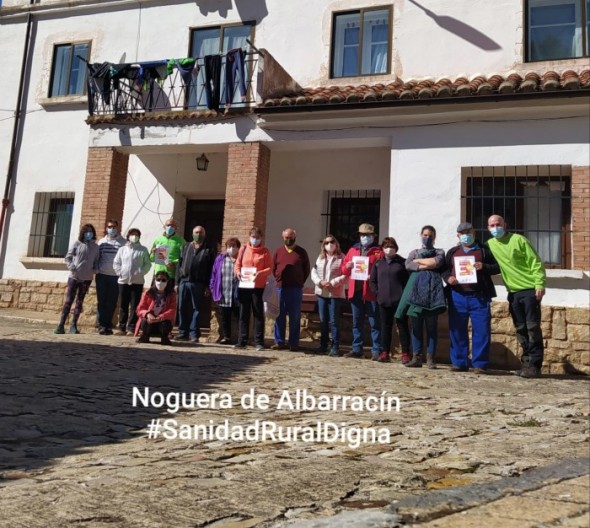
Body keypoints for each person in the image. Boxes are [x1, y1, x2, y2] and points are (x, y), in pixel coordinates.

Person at [487, 214, 546, 378]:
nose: (495, 228)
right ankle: (526, 364)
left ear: (505, 224)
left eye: (498, 224)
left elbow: (535, 262)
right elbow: (482, 258)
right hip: (512, 293)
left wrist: (539, 283)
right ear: (488, 228)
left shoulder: (519, 240)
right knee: (521, 329)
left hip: (529, 290)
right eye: (491, 225)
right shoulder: (490, 244)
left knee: (532, 328)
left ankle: (535, 366)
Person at [442, 223, 500, 374]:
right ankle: (459, 362)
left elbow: (497, 267)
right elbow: (444, 269)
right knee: (457, 330)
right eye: (462, 233)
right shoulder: (453, 252)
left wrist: (484, 267)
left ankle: (480, 364)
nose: (465, 235)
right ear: (458, 236)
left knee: (482, 331)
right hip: (457, 296)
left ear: (474, 233)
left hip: (479, 296)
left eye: (468, 232)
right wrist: (448, 278)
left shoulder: (484, 250)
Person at [402, 225, 446, 369]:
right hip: (416, 293)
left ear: (434, 237)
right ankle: (416, 357)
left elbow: (436, 262)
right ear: (421, 235)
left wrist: (418, 262)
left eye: (430, 236)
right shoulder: (414, 252)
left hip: (433, 293)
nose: (427, 238)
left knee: (432, 327)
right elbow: (408, 265)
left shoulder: (439, 252)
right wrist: (427, 264)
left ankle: (431, 358)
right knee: (416, 327)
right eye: (425, 235)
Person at [341, 223, 384, 359]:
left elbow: (383, 269)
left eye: (368, 235)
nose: (365, 237)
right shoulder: (352, 250)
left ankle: (376, 349)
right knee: (357, 321)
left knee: (374, 322)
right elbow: (344, 269)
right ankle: (357, 348)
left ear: (373, 236)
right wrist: (347, 266)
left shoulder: (379, 251)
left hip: (371, 292)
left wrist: (375, 275)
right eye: (362, 235)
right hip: (356, 290)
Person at [369, 237, 412, 364]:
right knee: (385, 327)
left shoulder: (402, 263)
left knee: (402, 326)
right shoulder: (378, 263)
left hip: (400, 301)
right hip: (383, 301)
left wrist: (405, 297)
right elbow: (372, 281)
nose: (389, 249)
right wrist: (377, 293)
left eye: (392, 246)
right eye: (387, 246)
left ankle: (405, 354)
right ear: (382, 248)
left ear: (396, 248)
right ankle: (384, 352)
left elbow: (408, 281)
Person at [55, 224, 100, 334]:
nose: (89, 233)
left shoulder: (95, 247)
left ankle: (74, 325)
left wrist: (95, 270)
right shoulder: (76, 244)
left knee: (79, 302)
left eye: (91, 231)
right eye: (87, 231)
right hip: (74, 277)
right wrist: (72, 268)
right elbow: (68, 258)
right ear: (83, 233)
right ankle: (61, 325)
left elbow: (97, 261)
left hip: (87, 278)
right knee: (69, 300)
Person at [234, 227, 273, 351]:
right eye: (253, 237)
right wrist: (238, 272)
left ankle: (259, 342)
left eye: (257, 237)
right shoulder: (243, 249)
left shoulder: (265, 252)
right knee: (243, 313)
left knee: (258, 314)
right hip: (245, 286)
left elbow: (270, 268)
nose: (255, 239)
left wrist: (259, 273)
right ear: (249, 237)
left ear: (261, 238)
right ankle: (242, 340)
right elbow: (237, 265)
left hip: (258, 287)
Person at [272, 228, 310, 352]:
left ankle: (293, 343)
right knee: (279, 315)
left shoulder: (301, 252)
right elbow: (273, 269)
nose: (289, 239)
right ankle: (279, 341)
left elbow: (306, 270)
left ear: (295, 236)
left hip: (295, 289)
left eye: (291, 236)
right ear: (283, 237)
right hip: (280, 288)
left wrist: (299, 281)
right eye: (286, 237)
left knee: (294, 316)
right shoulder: (278, 252)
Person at [175, 225, 215, 343]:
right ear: (192, 234)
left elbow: (211, 269)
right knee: (182, 307)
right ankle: (183, 333)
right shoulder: (185, 246)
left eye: (201, 232)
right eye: (196, 232)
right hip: (184, 281)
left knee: (196, 309)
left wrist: (208, 285)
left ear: (204, 234)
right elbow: (179, 265)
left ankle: (194, 334)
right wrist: (177, 282)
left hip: (198, 283)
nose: (198, 234)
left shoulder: (208, 249)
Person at [311, 234, 346, 356]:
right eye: (326, 243)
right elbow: (314, 272)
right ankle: (323, 345)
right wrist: (319, 282)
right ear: (323, 246)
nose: (329, 245)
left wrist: (333, 283)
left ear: (336, 244)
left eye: (331, 242)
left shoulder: (342, 258)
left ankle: (335, 346)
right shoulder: (320, 258)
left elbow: (346, 275)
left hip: (334, 294)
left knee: (334, 321)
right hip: (321, 293)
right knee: (323, 320)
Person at [113, 227, 151, 336]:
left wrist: (141, 272)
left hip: (137, 282)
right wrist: (120, 272)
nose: (134, 236)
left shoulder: (143, 250)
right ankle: (121, 327)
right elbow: (116, 263)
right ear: (128, 236)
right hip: (123, 281)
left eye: (136, 235)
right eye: (132, 234)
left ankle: (131, 327)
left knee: (135, 306)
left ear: (139, 237)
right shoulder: (122, 249)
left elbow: (147, 264)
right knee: (123, 305)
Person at [96, 219, 127, 335]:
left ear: (117, 228)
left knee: (112, 302)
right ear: (106, 228)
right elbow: (97, 257)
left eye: (114, 227)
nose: (112, 229)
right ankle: (101, 325)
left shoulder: (123, 242)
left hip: (115, 277)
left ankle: (107, 324)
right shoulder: (101, 242)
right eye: (110, 227)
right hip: (102, 275)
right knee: (101, 301)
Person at [210, 237, 241, 345]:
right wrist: (212, 287)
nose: (232, 248)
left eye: (234, 246)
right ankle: (226, 337)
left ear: (238, 248)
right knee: (225, 317)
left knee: (239, 317)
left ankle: (241, 338)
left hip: (238, 293)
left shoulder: (241, 259)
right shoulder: (220, 258)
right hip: (224, 293)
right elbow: (214, 274)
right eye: (229, 246)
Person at [135, 271, 177, 346]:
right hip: (150, 322)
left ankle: (164, 337)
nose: (160, 282)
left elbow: (172, 310)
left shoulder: (172, 295)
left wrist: (160, 317)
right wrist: (147, 314)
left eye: (163, 280)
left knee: (166, 324)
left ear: (167, 281)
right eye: (158, 279)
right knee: (144, 321)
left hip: (162, 322)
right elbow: (139, 309)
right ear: (155, 280)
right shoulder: (147, 293)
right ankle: (145, 336)